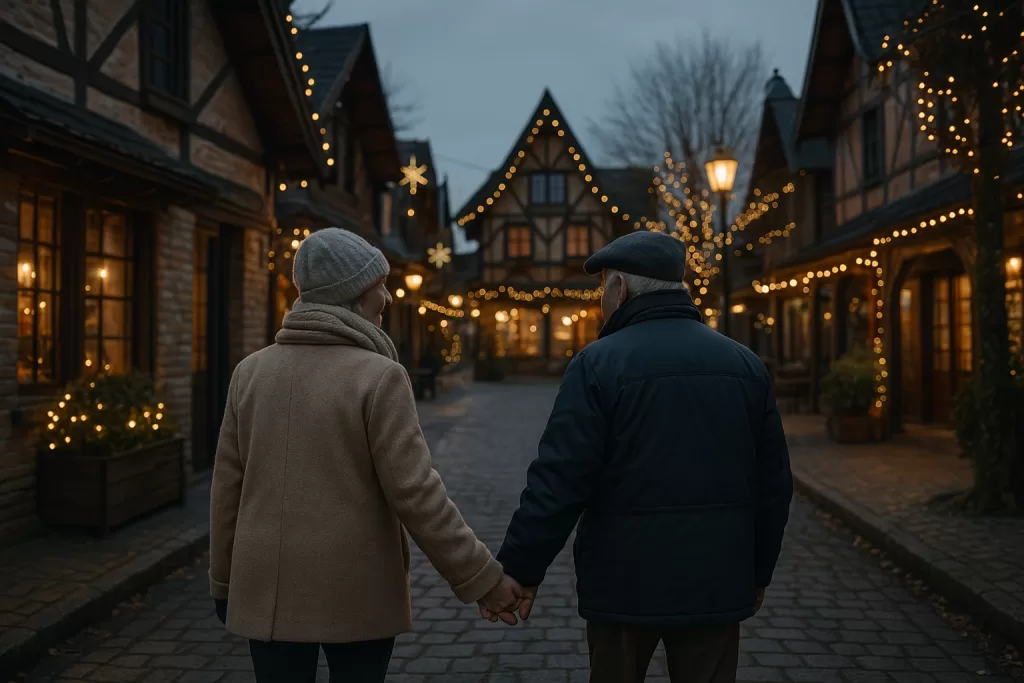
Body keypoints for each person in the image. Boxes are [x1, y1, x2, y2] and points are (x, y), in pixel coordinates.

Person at [209, 228, 523, 683]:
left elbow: (226, 490)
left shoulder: (250, 372)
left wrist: (223, 580)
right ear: (354, 293)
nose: (389, 295)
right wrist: (483, 579)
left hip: (266, 587)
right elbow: (417, 493)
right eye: (379, 283)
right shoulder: (379, 377)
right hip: (353, 589)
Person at [492, 230, 794, 683]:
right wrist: (757, 573)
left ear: (620, 289)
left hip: (622, 583)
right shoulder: (745, 365)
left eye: (601, 290)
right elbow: (774, 485)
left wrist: (519, 569)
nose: (600, 302)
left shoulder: (597, 364)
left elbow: (559, 480)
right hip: (716, 579)